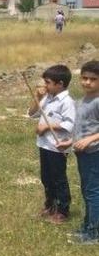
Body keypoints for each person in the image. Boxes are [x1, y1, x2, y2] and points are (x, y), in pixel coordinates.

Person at [28, 65, 76, 224]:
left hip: (57, 146)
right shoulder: (47, 97)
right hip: (44, 145)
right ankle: (50, 205)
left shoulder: (67, 102)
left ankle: (63, 210)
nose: (45, 85)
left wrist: (47, 127)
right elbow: (32, 113)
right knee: (46, 177)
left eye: (47, 82)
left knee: (58, 178)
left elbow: (70, 124)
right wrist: (37, 97)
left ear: (60, 84)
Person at [58, 60, 99, 244]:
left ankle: (93, 233)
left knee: (93, 192)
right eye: (84, 78)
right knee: (87, 190)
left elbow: (90, 134)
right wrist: (70, 142)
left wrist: (90, 140)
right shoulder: (81, 101)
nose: (87, 82)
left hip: (94, 153)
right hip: (83, 153)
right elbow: (81, 129)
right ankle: (87, 226)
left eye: (93, 79)